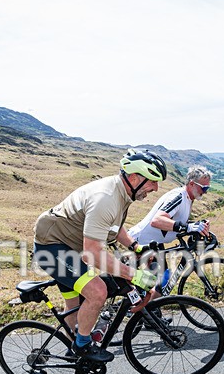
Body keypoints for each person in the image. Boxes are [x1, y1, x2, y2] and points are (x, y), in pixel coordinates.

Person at [33, 148, 165, 362]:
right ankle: (82, 347)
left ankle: (74, 352)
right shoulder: (106, 198)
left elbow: (114, 227)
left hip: (69, 247)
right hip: (52, 248)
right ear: (133, 178)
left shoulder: (121, 192)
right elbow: (92, 254)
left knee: (74, 305)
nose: (156, 188)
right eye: (152, 181)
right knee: (97, 291)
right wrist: (135, 275)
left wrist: (136, 247)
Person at [128, 165, 213, 295]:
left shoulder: (189, 198)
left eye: (207, 188)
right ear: (191, 184)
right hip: (142, 242)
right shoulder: (178, 197)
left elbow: (176, 222)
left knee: (161, 282)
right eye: (204, 187)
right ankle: (133, 309)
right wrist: (188, 227)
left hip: (154, 243)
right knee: (150, 283)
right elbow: (157, 220)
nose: (205, 191)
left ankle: (150, 311)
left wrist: (196, 225)